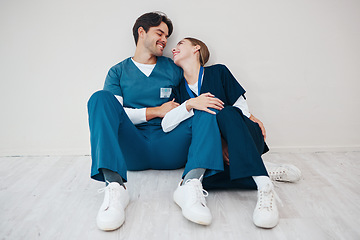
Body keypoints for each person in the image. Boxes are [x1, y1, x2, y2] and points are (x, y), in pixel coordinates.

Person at [87, 12, 226, 231]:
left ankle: (190, 185)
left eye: (167, 36)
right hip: (132, 148)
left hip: (170, 145)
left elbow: (192, 101)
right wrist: (155, 111)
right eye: (159, 33)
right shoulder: (118, 72)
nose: (165, 40)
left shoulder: (172, 68)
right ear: (141, 32)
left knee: (202, 104)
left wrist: (240, 118)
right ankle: (115, 188)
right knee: (99, 99)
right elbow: (114, 114)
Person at [162, 37, 302, 228]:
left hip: (244, 136)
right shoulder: (178, 88)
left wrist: (226, 141)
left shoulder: (219, 71)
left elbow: (242, 110)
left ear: (196, 48)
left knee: (227, 112)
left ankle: (264, 187)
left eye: (180, 44)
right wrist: (190, 104)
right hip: (215, 154)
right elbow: (167, 124)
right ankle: (264, 171)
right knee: (202, 181)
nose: (173, 49)